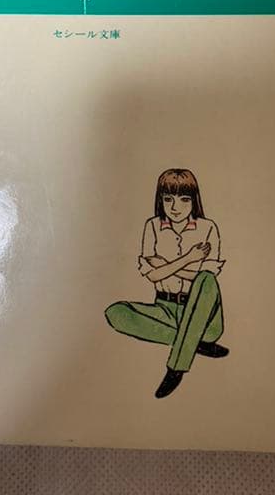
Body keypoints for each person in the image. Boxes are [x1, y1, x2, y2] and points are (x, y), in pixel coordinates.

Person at [105, 168, 228, 398]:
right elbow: (152, 276)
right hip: (165, 310)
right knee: (115, 312)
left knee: (206, 280)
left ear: (194, 200)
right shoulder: (152, 226)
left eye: (184, 200)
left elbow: (205, 274)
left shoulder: (208, 227)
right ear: (160, 200)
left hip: (206, 318)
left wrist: (166, 267)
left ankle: (176, 368)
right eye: (168, 199)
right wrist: (189, 258)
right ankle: (192, 341)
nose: (175, 207)